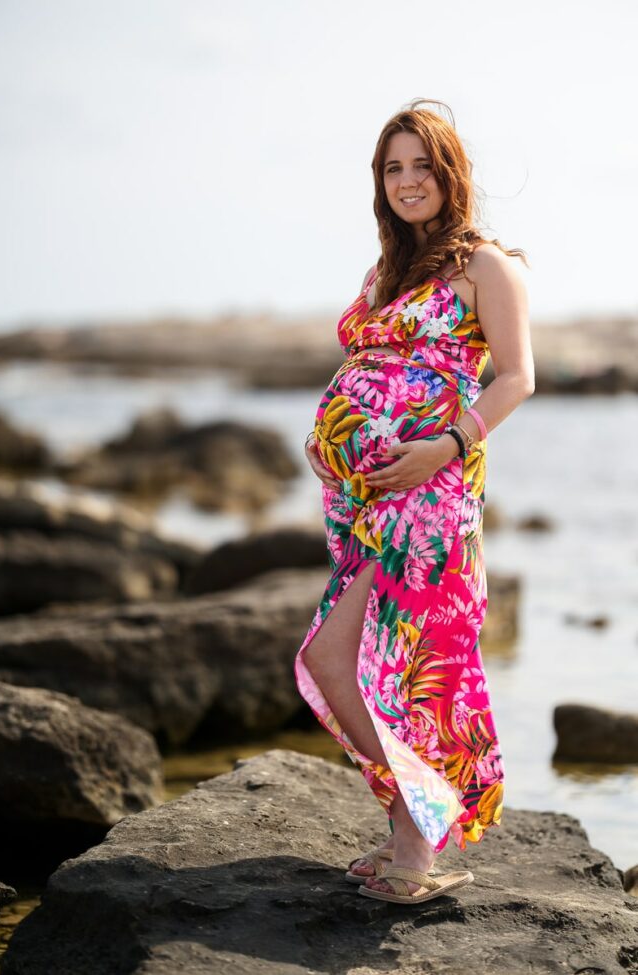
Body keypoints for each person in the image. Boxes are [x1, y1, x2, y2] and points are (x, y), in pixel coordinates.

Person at [293, 97, 535, 905]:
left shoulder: (488, 266)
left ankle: (419, 840)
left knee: (359, 663)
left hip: (430, 502)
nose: (407, 181)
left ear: (450, 172)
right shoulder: (385, 273)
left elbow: (516, 377)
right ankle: (412, 829)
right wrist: (327, 437)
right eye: (393, 168)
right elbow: (367, 366)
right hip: (368, 506)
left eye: (421, 165)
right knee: (361, 670)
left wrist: (443, 444)